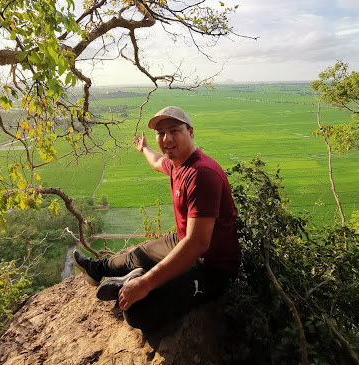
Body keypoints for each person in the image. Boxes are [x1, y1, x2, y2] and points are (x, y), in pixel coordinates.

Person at [73, 106, 241, 330]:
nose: (167, 138)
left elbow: (198, 244)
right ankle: (97, 269)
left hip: (211, 267)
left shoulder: (202, 174)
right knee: (137, 255)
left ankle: (135, 279)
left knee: (136, 313)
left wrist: (146, 283)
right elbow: (156, 161)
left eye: (174, 130)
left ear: (190, 132)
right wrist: (144, 148)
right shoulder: (176, 164)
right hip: (182, 240)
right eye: (160, 133)